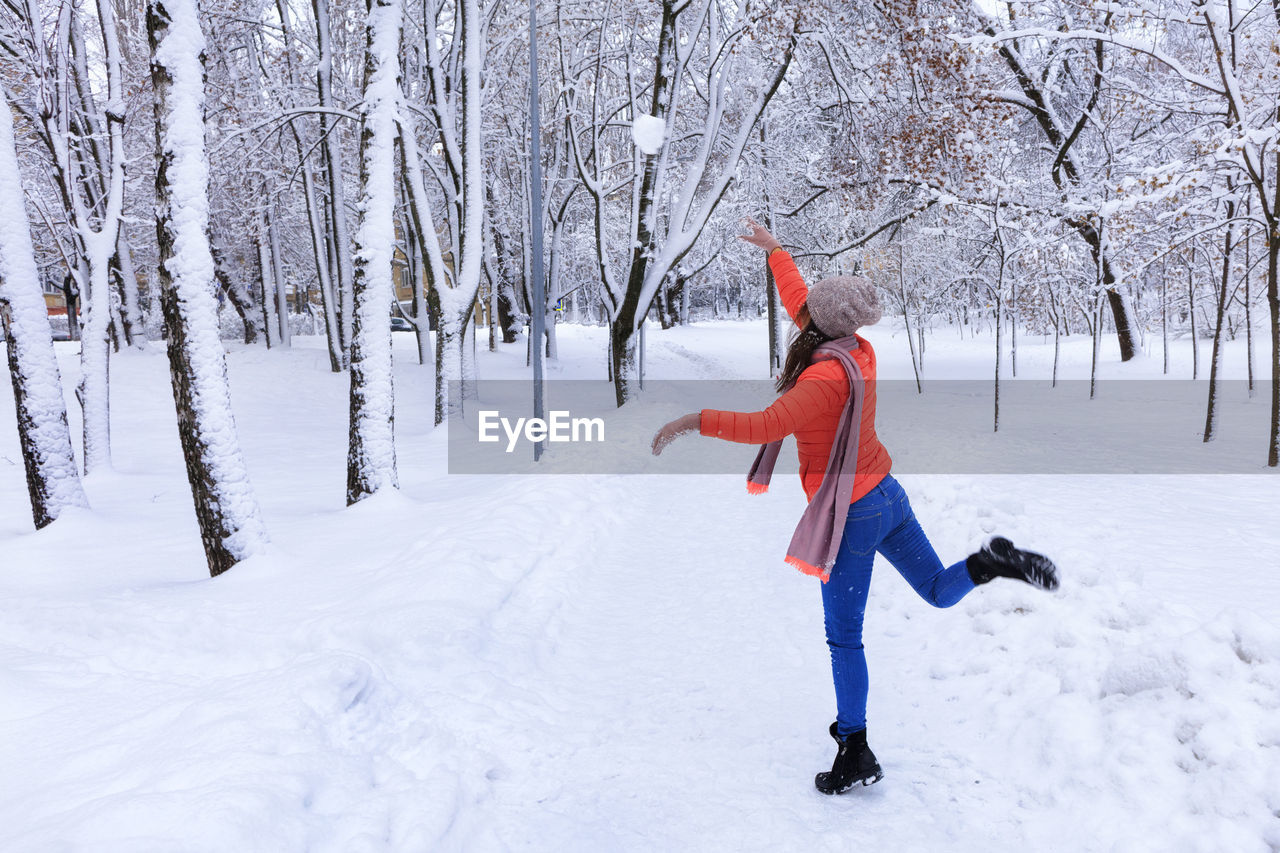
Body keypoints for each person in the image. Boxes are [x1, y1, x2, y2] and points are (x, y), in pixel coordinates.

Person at [651, 218, 1059, 796]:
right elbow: (801, 299)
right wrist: (776, 252)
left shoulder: (821, 377)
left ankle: (855, 747)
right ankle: (990, 562)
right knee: (940, 591)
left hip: (854, 514)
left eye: (811, 309)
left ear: (821, 323)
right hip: (887, 495)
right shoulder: (853, 349)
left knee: (844, 638)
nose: (803, 311)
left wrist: (694, 420)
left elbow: (768, 424)